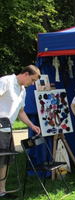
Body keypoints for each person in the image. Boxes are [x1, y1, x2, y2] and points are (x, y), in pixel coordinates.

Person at [0, 65, 41, 198]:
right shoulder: (6, 81)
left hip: (8, 129)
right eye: (32, 79)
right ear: (25, 74)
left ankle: (2, 191)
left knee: (6, 161)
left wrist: (32, 125)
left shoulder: (23, 90)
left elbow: (21, 112)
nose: (32, 83)